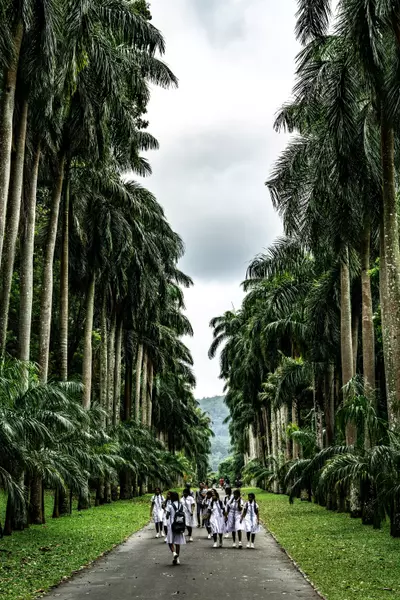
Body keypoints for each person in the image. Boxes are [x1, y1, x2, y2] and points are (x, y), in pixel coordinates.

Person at [166, 491, 186, 565]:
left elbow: (167, 516)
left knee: (170, 541)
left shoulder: (170, 506)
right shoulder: (181, 505)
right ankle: (178, 559)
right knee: (178, 543)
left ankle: (174, 553)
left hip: (172, 526)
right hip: (180, 525)